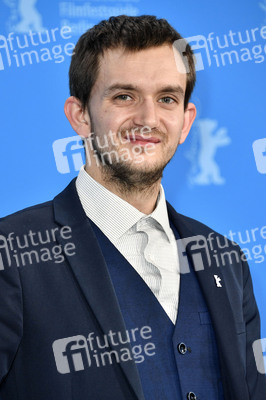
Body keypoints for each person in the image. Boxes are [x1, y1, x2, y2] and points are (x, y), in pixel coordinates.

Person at [0, 15, 265, 400]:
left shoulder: (224, 257)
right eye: (124, 96)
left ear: (186, 121)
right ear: (80, 115)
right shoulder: (12, 251)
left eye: (167, 99)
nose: (148, 119)